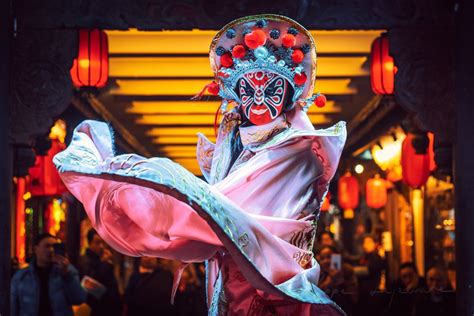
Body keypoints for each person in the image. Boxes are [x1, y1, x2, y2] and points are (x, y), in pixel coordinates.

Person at [54, 14, 347, 315]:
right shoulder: (235, 143)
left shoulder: (297, 152)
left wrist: (150, 184)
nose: (259, 100)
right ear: (237, 94)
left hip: (273, 290)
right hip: (227, 283)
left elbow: (223, 213)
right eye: (249, 90)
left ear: (287, 95)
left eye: (271, 90)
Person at [11, 233, 86, 316]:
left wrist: (67, 275)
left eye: (54, 247)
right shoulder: (22, 276)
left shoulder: (67, 270)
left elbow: (79, 299)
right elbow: (13, 307)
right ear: (36, 249)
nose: (51, 250)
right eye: (47, 246)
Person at [79, 229, 122, 316]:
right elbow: (91, 284)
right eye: (97, 242)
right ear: (89, 243)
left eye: (103, 242)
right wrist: (105, 264)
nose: (102, 246)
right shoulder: (86, 260)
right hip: (99, 309)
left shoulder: (100, 259)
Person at [316, 245, 358, 315]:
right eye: (322, 258)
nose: (326, 261)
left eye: (329, 257)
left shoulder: (346, 271)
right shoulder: (318, 273)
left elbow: (353, 299)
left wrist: (339, 280)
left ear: (336, 258)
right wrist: (328, 282)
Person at [354, 235, 386, 316]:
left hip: (372, 293)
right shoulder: (364, 257)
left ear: (375, 244)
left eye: (368, 242)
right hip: (363, 293)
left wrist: (351, 270)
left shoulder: (376, 257)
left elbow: (369, 270)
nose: (365, 245)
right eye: (364, 242)